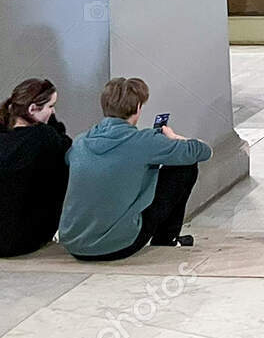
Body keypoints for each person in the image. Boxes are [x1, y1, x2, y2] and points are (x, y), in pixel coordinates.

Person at [59, 77, 211, 260]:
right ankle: (167, 239)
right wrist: (173, 138)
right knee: (185, 166)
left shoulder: (81, 142)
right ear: (138, 107)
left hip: (74, 243)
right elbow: (203, 151)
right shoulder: (145, 142)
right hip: (118, 245)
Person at [0, 78, 71, 257]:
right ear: (32, 109)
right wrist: (53, 124)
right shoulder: (44, 137)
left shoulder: (5, 139)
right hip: (23, 239)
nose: (53, 111)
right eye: (50, 107)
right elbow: (69, 150)